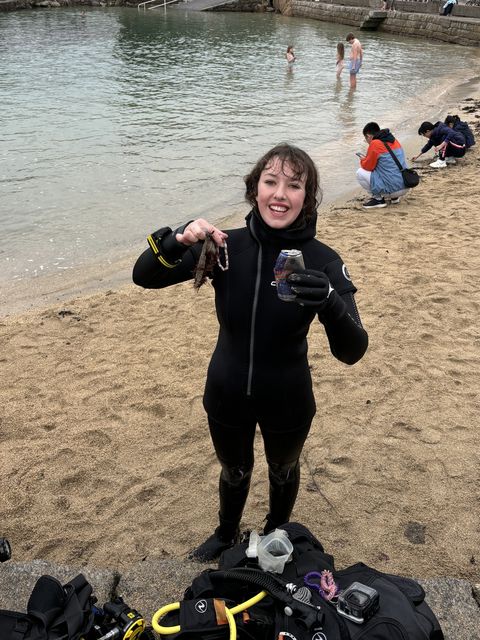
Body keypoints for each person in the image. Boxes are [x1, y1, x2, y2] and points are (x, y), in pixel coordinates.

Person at [132, 144, 369, 562]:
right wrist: (177, 239)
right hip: (226, 389)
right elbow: (144, 277)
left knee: (283, 470)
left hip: (288, 395)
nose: (280, 194)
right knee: (234, 470)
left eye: (294, 185)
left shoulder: (324, 261)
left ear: (307, 197)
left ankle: (275, 533)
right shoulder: (224, 247)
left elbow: (352, 351)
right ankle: (226, 534)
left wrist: (330, 302)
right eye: (270, 181)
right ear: (254, 189)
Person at [356, 122, 408, 209]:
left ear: (368, 136)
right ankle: (394, 198)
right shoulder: (394, 140)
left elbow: (368, 167)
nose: (367, 142)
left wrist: (362, 160)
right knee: (389, 167)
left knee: (359, 172)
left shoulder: (375, 143)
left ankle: (378, 200)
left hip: (394, 189)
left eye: (366, 139)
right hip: (405, 184)